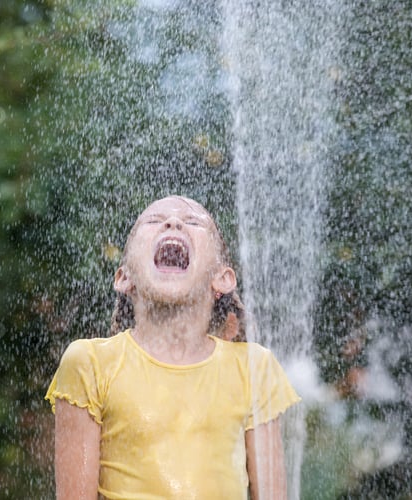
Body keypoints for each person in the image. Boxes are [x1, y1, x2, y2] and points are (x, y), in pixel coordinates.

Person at [45, 195, 300, 500]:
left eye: (193, 222)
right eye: (153, 221)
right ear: (125, 278)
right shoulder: (89, 362)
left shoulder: (254, 368)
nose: (173, 222)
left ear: (223, 279)